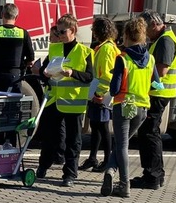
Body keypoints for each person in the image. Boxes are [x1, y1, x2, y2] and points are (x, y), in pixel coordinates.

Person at [99, 17, 161, 198]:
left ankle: (124, 185)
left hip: (123, 106)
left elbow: (115, 88)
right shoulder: (150, 59)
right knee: (121, 145)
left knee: (122, 146)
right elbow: (157, 84)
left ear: (126, 36)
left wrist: (113, 78)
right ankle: (110, 171)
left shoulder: (123, 58)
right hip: (142, 108)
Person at [36, 13, 93, 187]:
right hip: (54, 100)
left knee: (73, 141)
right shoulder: (54, 49)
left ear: (73, 30)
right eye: (57, 32)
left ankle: (70, 174)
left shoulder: (85, 52)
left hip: (73, 102)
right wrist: (43, 73)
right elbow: (44, 72)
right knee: (49, 138)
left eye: (62, 32)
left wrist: (72, 73)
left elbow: (89, 77)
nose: (59, 35)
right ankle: (43, 167)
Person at [131, 9, 176, 190]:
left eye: (145, 28)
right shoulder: (162, 39)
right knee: (150, 133)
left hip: (158, 94)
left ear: (153, 24)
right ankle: (154, 175)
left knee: (149, 134)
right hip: (158, 94)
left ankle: (152, 176)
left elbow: (161, 71)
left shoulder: (165, 41)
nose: (144, 33)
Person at [0, 3, 35, 144]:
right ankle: (10, 144)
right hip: (15, 78)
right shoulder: (23, 33)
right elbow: (31, 59)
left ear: (2, 15)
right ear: (16, 16)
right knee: (13, 112)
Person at [79, 18, 119, 172]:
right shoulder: (105, 47)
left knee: (102, 128)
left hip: (101, 94)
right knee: (95, 127)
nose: (93, 33)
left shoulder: (107, 49)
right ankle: (93, 158)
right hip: (98, 92)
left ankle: (107, 161)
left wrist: (100, 94)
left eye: (95, 30)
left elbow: (107, 75)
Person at [32, 26, 67, 166]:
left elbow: (48, 70)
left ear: (58, 37)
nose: (49, 39)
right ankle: (56, 155)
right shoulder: (55, 50)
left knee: (59, 128)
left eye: (52, 36)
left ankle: (59, 155)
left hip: (58, 96)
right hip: (53, 95)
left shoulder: (58, 51)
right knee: (56, 128)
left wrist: (38, 70)